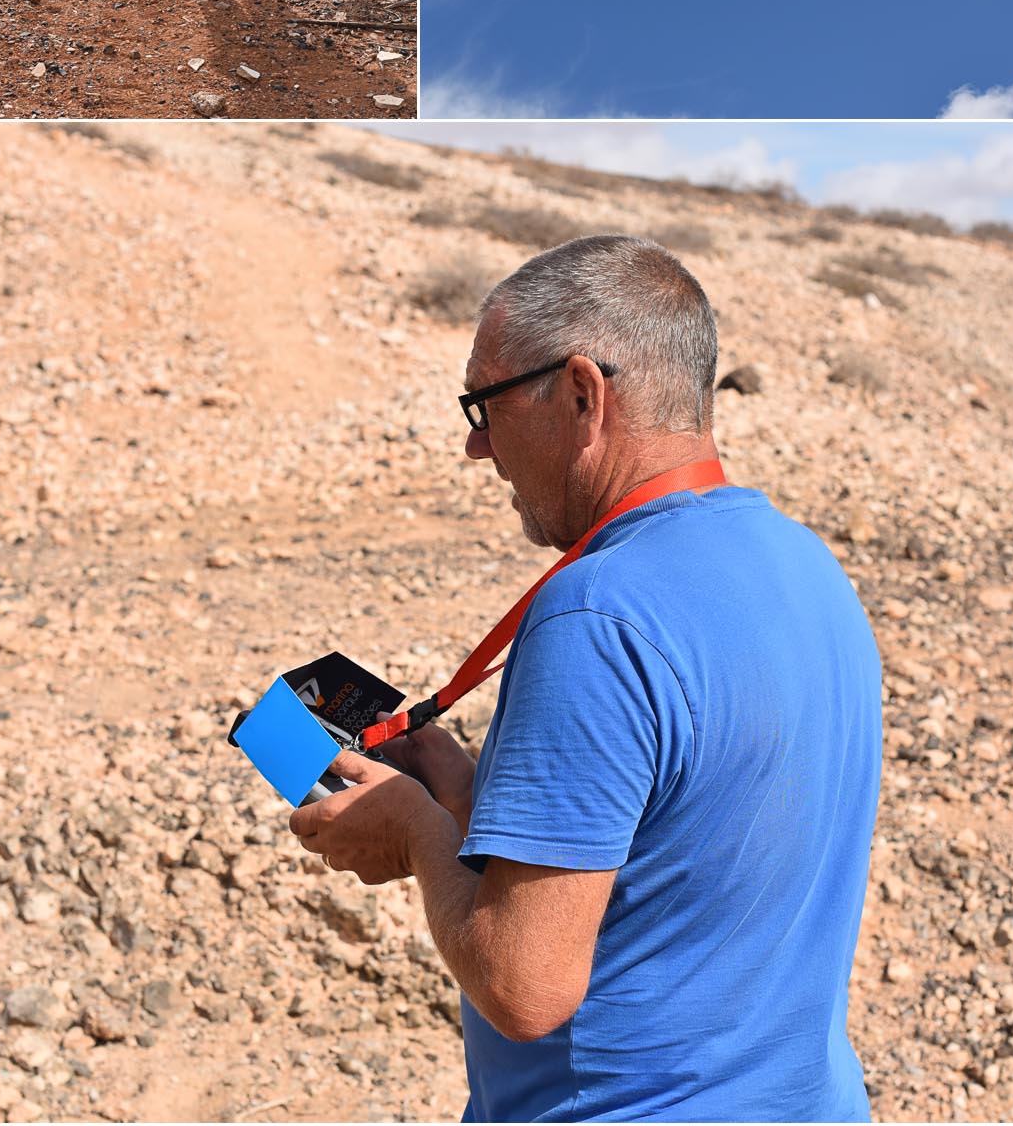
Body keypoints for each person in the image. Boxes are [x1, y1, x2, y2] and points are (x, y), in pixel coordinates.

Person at [287, 236, 883, 1121]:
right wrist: (458, 789)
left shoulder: (596, 617)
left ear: (581, 393)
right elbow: (682, 843)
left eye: (482, 408)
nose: (475, 449)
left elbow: (525, 987)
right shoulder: (805, 565)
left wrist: (415, 834)